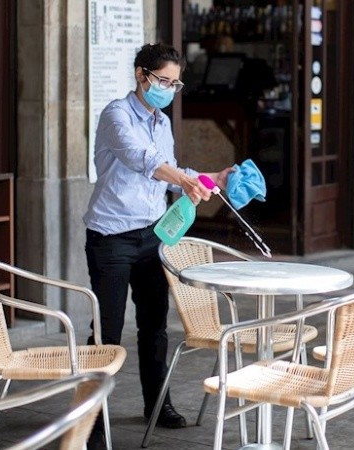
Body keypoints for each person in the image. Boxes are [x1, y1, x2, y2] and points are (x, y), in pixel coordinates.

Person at [83, 43, 233, 447]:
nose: (168, 88)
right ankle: (91, 419)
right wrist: (182, 180)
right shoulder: (116, 114)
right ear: (141, 75)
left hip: (153, 235)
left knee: (154, 326)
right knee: (107, 331)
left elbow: (171, 167)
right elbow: (142, 159)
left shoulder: (161, 122)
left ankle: (157, 404)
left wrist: (208, 178)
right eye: (163, 80)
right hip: (111, 236)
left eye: (175, 83)